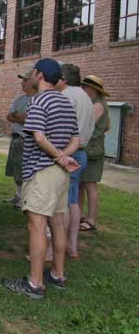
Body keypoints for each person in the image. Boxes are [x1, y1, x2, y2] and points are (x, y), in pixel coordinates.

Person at [2, 58, 80, 300]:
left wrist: (57, 156)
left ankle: (34, 283)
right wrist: (64, 158)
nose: (30, 77)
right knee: (57, 223)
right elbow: (76, 139)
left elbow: (38, 136)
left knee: (36, 226)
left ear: (40, 75)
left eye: (33, 73)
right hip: (60, 175)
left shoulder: (38, 101)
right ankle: (57, 274)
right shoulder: (66, 102)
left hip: (42, 172)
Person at [53, 64, 95, 258]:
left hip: (68, 153)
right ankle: (72, 244)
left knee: (63, 202)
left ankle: (57, 247)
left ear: (63, 78)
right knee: (73, 200)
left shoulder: (67, 96)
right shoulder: (85, 97)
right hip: (81, 152)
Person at [79, 75, 110, 232]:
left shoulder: (98, 105)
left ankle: (91, 219)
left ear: (93, 89)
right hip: (87, 149)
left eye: (85, 87)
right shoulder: (93, 103)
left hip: (93, 151)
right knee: (81, 184)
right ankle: (79, 215)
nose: (83, 89)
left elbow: (87, 124)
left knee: (90, 185)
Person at [4, 71, 38, 209]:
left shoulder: (38, 99)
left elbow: (33, 121)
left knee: (24, 169)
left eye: (25, 80)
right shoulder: (19, 99)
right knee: (15, 168)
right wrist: (20, 117)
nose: (22, 83)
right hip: (16, 138)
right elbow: (9, 116)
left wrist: (20, 118)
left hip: (27, 140)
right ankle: (18, 194)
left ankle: (24, 199)